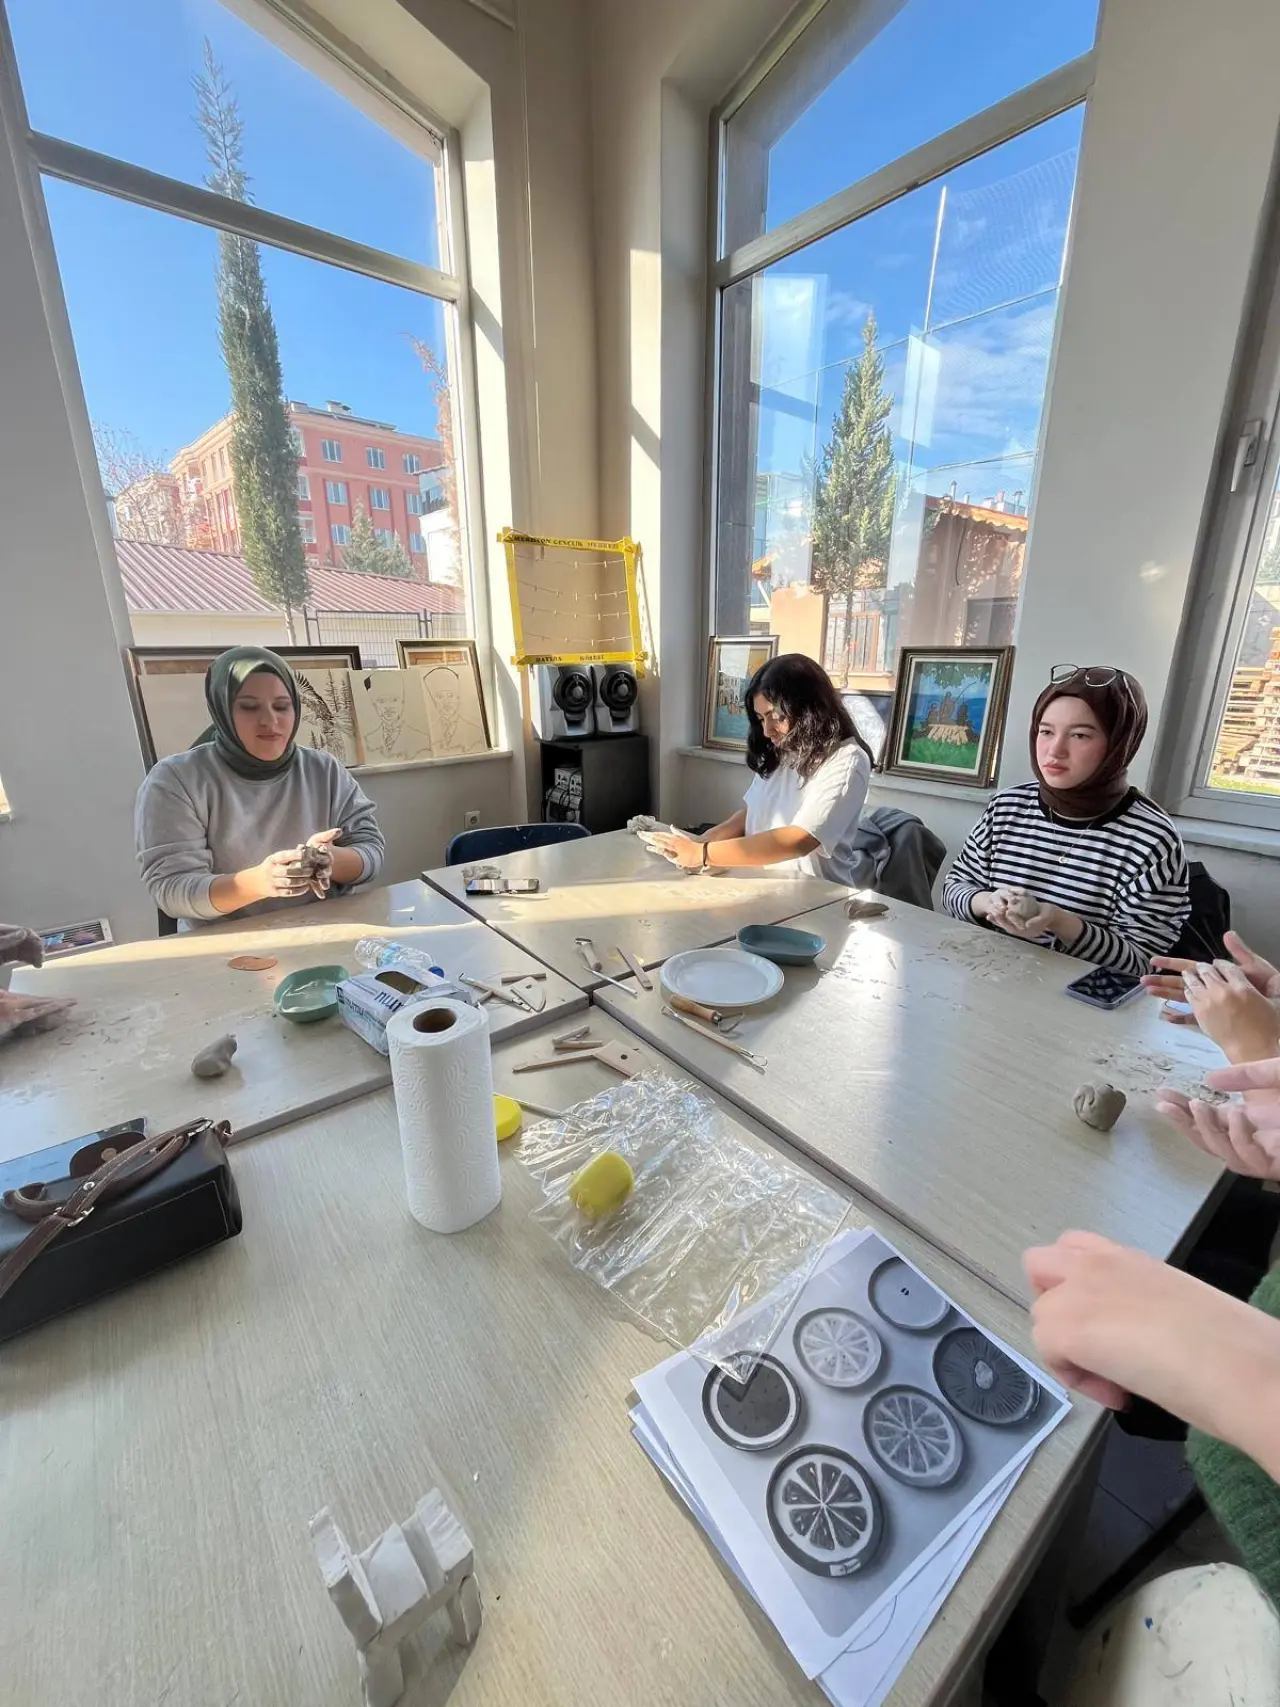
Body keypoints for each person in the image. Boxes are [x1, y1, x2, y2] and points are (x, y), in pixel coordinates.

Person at [941, 666, 1189, 975]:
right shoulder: (1007, 807)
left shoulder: (1151, 837)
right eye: (1046, 731)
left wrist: (1062, 923)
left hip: (1076, 998)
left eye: (1080, 735)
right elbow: (954, 888)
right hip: (986, 976)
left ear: (1119, 743)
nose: (1055, 750)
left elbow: (1144, 963)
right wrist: (986, 901)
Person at [135, 646, 385, 923]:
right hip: (229, 942)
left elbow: (371, 850)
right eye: (249, 707)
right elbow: (171, 888)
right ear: (222, 710)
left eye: (281, 706)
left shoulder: (324, 769)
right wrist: (259, 883)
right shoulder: (176, 780)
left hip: (328, 928)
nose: (270, 720)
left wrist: (329, 860)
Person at [651, 654, 872, 881]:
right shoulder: (785, 749)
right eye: (760, 719)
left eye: (775, 716)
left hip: (816, 894)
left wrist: (704, 854)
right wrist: (705, 839)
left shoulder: (848, 760)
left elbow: (800, 839)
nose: (767, 731)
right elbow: (753, 812)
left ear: (809, 709)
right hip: (765, 885)